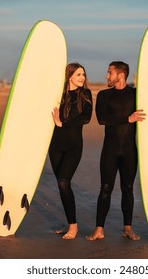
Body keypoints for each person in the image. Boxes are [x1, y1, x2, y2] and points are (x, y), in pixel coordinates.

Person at [85, 61, 146, 241]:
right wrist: (129, 118)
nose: (106, 76)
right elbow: (103, 119)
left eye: (109, 72)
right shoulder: (104, 95)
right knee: (105, 189)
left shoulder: (136, 94)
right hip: (110, 151)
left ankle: (128, 228)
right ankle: (99, 229)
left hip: (129, 152)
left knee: (128, 190)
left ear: (120, 75)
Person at [49, 63, 93, 240]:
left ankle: (73, 227)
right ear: (69, 76)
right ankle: (69, 223)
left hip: (74, 146)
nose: (82, 77)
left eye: (83, 74)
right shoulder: (57, 94)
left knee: (63, 183)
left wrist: (62, 124)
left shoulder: (86, 94)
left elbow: (86, 118)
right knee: (62, 187)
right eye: (78, 74)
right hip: (55, 146)